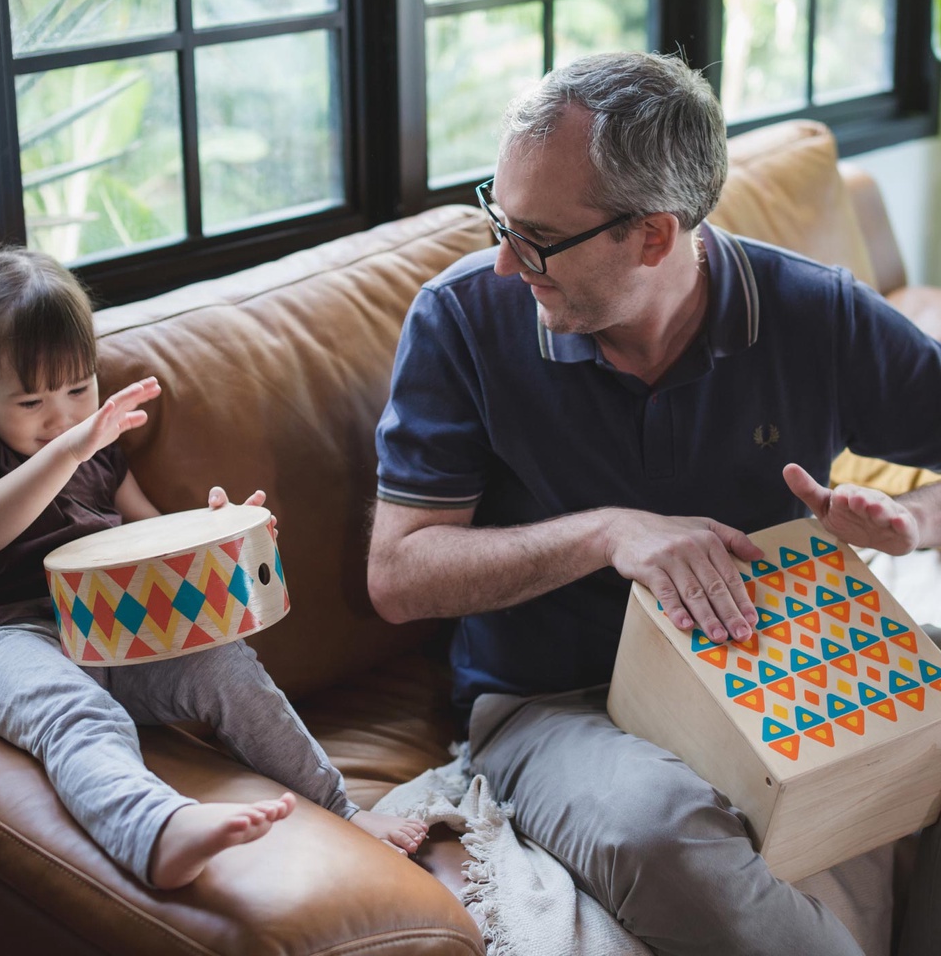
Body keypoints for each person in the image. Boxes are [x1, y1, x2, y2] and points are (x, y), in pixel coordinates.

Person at [366, 50, 941, 955]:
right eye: (499, 219)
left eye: (537, 237)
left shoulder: (814, 313)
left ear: (654, 236)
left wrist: (917, 524)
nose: (507, 263)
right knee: (660, 830)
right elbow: (399, 574)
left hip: (775, 658)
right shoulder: (461, 320)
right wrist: (607, 533)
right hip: (557, 702)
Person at [0, 247, 425, 890]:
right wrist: (70, 449)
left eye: (78, 389)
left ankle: (339, 806)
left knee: (225, 662)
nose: (63, 417)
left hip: (106, 629)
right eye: (31, 401)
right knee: (80, 713)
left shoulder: (101, 451)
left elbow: (151, 542)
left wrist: (220, 534)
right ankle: (157, 831)